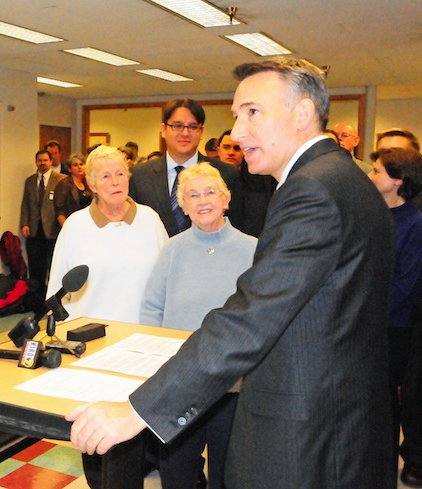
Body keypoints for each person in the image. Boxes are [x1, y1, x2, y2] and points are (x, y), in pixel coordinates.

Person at [67, 58, 395, 489]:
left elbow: (250, 317)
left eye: (252, 113)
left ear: (302, 114)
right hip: (341, 416)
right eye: (237, 116)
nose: (237, 131)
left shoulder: (312, 189)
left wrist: (137, 410)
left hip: (308, 430)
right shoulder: (342, 177)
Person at [140, 163, 256, 489]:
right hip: (179, 379)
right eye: (193, 194)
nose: (203, 200)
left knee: (229, 471)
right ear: (184, 205)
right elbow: (151, 308)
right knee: (176, 471)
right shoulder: (172, 250)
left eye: (210, 192)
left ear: (226, 198)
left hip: (234, 381)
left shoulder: (255, 249)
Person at [47, 145, 168, 324]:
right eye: (105, 176)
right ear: (91, 184)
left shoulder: (150, 219)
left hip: (143, 337)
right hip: (89, 339)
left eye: (120, 174)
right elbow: (57, 294)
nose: (115, 182)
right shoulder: (75, 225)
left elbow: (167, 282)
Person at [366, 147, 422, 485]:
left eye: (377, 171)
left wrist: (369, 315)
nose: (370, 176)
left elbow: (406, 285)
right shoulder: (372, 214)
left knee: (387, 407)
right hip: (366, 324)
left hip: (392, 329)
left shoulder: (415, 223)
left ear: (397, 181)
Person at [129, 98, 243, 237]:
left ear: (201, 131)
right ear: (163, 129)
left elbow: (237, 224)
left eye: (193, 127)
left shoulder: (226, 174)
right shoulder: (139, 176)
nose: (185, 133)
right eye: (177, 126)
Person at [20, 150, 66, 304]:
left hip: (53, 230)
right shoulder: (30, 181)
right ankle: (37, 300)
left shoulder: (61, 180)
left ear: (51, 161)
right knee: (35, 266)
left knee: (53, 265)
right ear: (36, 162)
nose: (42, 163)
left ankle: (54, 299)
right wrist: (25, 223)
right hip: (34, 229)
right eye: (39, 160)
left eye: (45, 160)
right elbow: (25, 204)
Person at [218, 129, 276, 237]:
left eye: (237, 148)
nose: (231, 153)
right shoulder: (209, 181)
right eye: (226, 147)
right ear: (218, 151)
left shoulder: (262, 181)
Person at [53, 153, 92, 226]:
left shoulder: (88, 183)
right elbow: (60, 211)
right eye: (75, 165)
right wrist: (66, 227)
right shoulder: (64, 184)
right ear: (69, 169)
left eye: (81, 164)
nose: (79, 167)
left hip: (87, 223)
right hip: (71, 223)